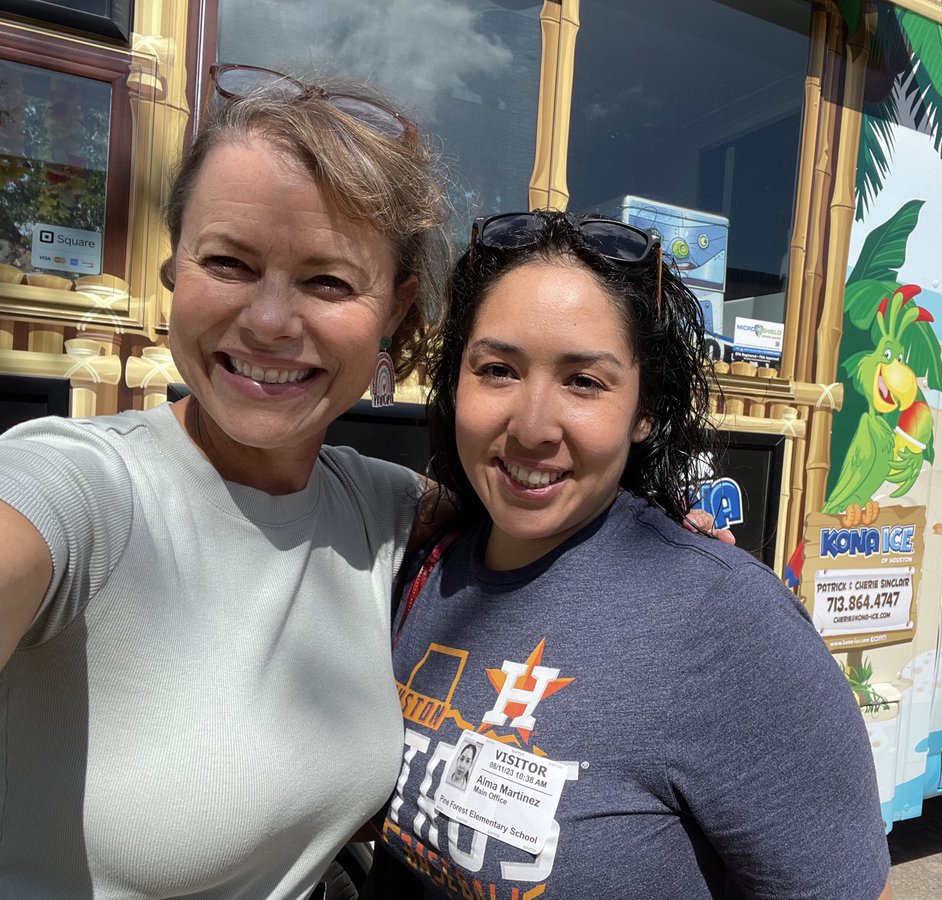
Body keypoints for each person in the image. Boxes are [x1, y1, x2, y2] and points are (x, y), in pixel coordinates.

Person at [0, 66, 447, 898]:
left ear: (395, 312)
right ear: (176, 274)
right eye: (231, 263)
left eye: (327, 281)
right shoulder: (78, 484)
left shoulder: (378, 505)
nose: (271, 321)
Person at [377, 211, 894, 898]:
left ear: (644, 409)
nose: (531, 426)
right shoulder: (423, 566)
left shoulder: (727, 623)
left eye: (584, 381)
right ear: (457, 382)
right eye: (497, 370)